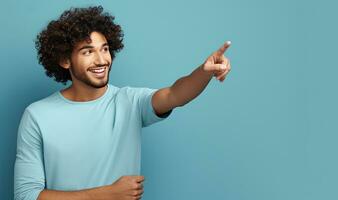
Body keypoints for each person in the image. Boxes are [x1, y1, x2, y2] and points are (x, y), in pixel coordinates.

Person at [13, 5, 232, 200]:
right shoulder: (37, 115)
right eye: (88, 51)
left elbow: (176, 94)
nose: (101, 60)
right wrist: (106, 195)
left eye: (105, 49)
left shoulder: (129, 102)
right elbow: (26, 196)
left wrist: (204, 73)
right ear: (64, 60)